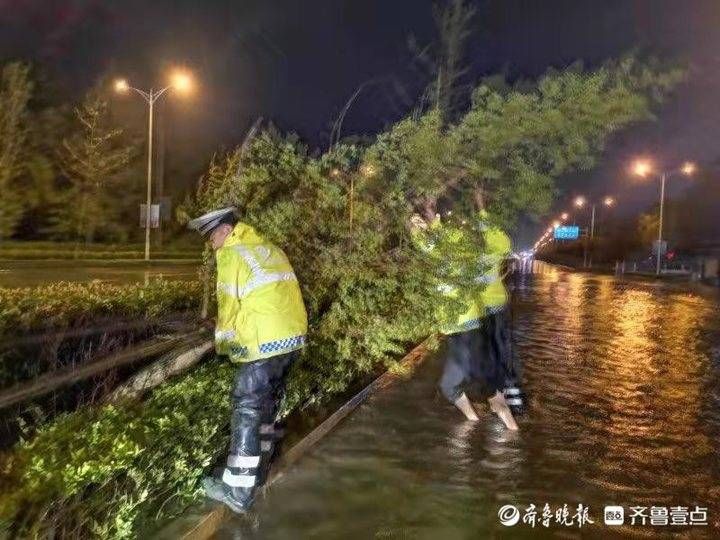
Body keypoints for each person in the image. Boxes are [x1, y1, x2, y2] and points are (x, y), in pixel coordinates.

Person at [188, 207, 308, 513]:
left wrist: (224, 347)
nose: (212, 245)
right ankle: (259, 468)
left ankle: (239, 490)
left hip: (262, 343)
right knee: (269, 405)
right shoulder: (268, 247)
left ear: (226, 231)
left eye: (213, 237)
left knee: (247, 409)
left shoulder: (232, 254)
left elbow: (228, 307)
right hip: (291, 340)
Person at [410, 213, 518, 430]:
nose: (416, 228)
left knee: (463, 388)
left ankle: (492, 430)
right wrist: (430, 223)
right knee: (486, 389)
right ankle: (500, 429)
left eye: (418, 224)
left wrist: (423, 224)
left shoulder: (443, 251)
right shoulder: (451, 249)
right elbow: (429, 242)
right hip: (468, 326)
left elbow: (425, 242)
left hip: (465, 328)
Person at [477, 211, 526, 416]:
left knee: (496, 351)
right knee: (500, 350)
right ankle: (509, 397)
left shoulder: (486, 251)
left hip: (491, 307)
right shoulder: (495, 248)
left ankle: (507, 396)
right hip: (494, 306)